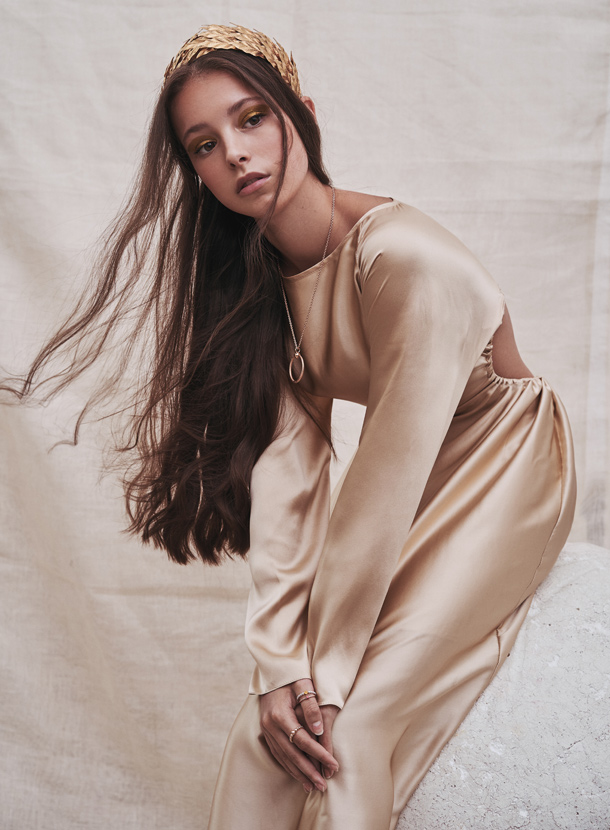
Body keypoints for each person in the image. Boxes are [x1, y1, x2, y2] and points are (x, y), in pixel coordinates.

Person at [5, 22, 576, 830]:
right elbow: (290, 476)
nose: (236, 154)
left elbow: (381, 482)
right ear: (196, 174)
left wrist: (326, 676)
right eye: (205, 145)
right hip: (410, 474)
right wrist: (278, 666)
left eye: (252, 119)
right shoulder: (259, 284)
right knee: (267, 728)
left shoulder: (402, 260)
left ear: (301, 114)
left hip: (505, 468)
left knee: (347, 725)